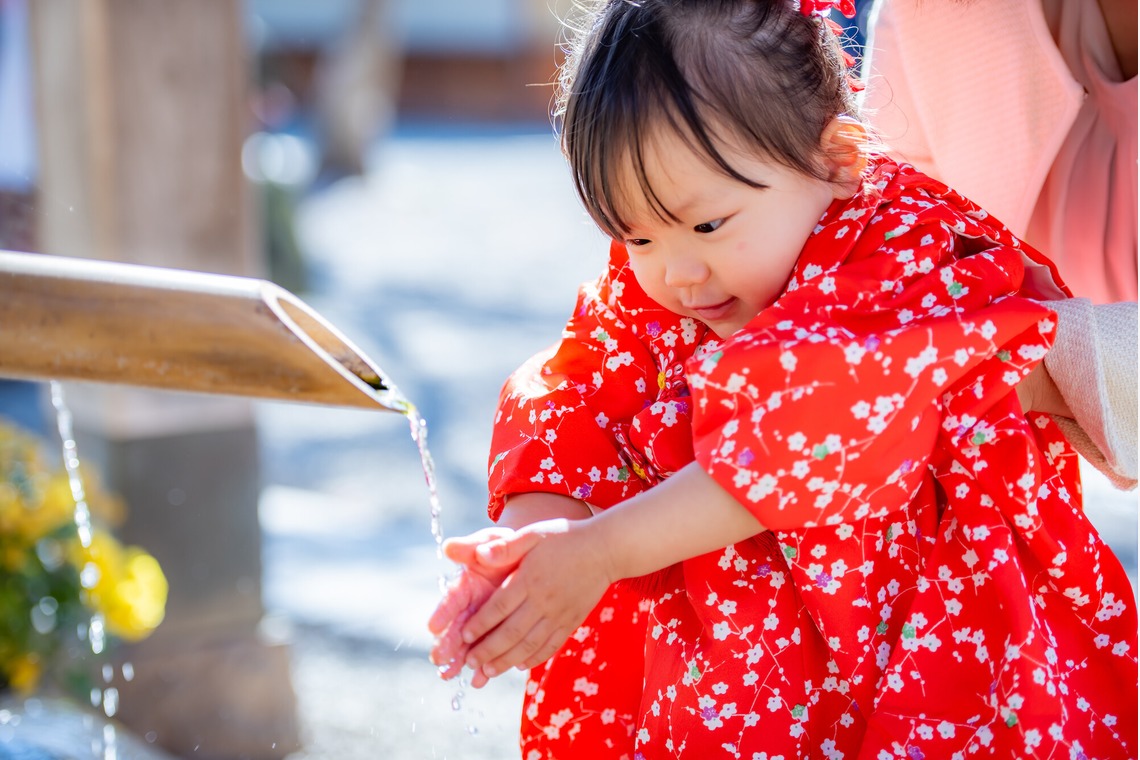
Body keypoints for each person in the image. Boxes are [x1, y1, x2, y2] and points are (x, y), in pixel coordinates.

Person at [428, 0, 1138, 757]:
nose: (678, 270)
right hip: (742, 672)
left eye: (707, 226)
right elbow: (576, 390)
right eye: (634, 233)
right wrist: (538, 544)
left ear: (837, 159)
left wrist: (604, 551)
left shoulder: (899, 250)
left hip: (929, 644)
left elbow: (810, 419)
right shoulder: (682, 260)